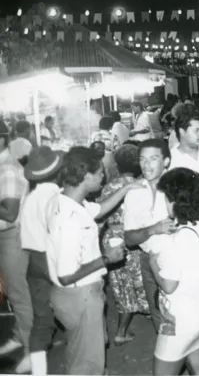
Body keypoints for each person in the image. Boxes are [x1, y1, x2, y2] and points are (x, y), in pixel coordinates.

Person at [45, 147, 131, 375]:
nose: (104, 176)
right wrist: (106, 259)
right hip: (79, 294)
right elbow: (67, 273)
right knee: (87, 363)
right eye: (101, 172)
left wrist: (127, 188)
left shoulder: (65, 200)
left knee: (81, 349)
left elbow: (99, 209)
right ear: (86, 177)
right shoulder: (70, 220)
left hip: (73, 296)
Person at [151, 168, 199, 375]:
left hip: (180, 320)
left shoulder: (173, 241)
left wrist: (153, 262)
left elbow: (168, 285)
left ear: (174, 203)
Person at [17, 147, 64, 375]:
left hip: (33, 261)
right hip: (50, 258)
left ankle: (39, 369)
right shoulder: (54, 197)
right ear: (57, 172)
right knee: (73, 310)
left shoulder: (31, 196)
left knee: (42, 318)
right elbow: (57, 232)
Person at [123, 139, 177, 332]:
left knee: (183, 316)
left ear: (167, 161)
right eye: (142, 160)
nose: (146, 165)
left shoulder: (179, 187)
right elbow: (129, 239)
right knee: (159, 316)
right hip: (149, 260)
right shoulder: (134, 193)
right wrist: (153, 229)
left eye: (153, 159)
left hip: (178, 260)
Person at [99, 144, 149, 346]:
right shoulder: (141, 186)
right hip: (132, 239)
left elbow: (101, 216)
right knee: (142, 282)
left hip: (112, 239)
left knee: (122, 287)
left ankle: (121, 331)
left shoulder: (109, 187)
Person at [0, 126, 31, 371]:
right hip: (5, 238)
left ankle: (32, 350)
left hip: (12, 237)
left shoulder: (7, 169)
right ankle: (20, 335)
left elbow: (10, 213)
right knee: (12, 292)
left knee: (20, 296)